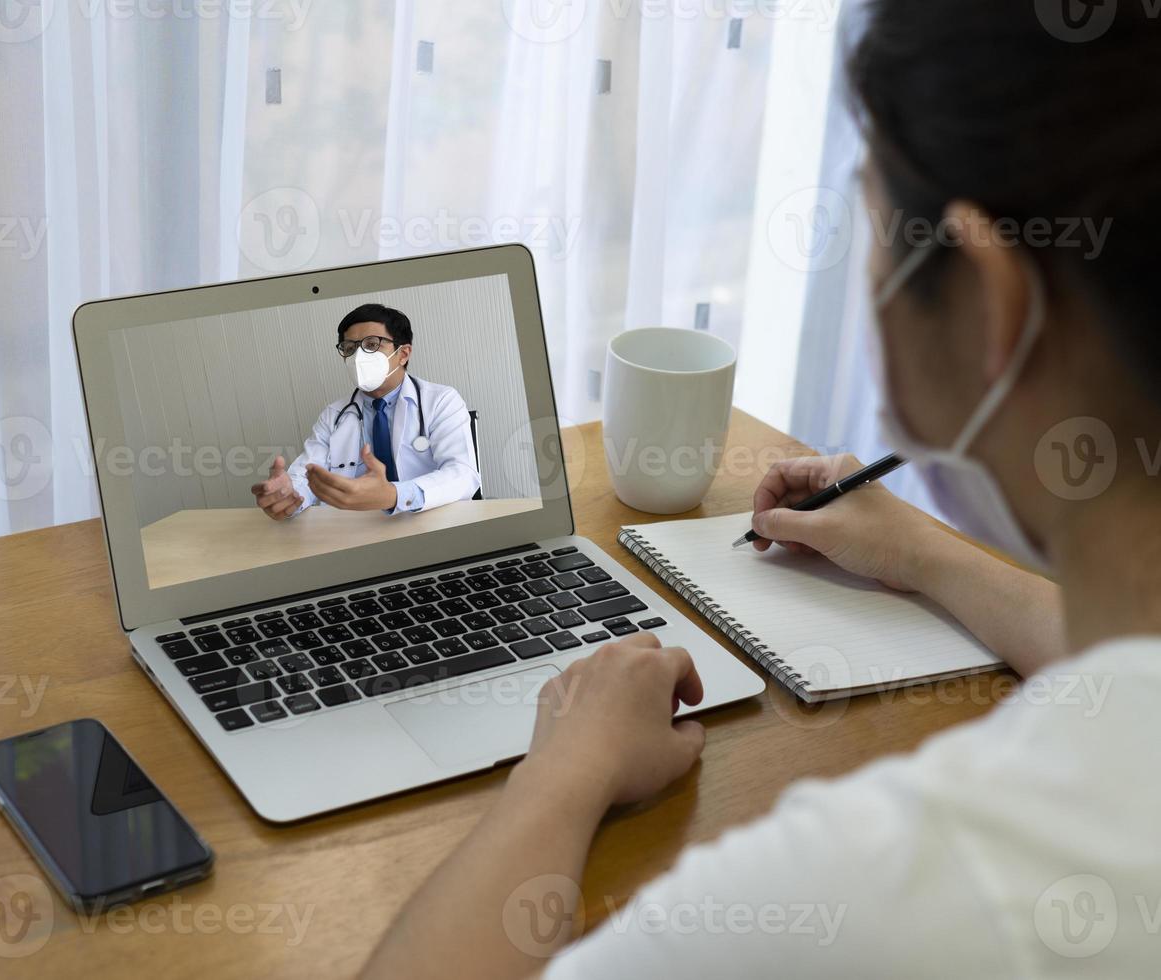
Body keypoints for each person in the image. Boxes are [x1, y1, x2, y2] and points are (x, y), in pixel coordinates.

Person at [365, 1, 1161, 975]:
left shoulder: (875, 895)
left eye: (868, 222)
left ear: (994, 303)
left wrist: (561, 771)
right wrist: (927, 555)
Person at [249, 303, 480, 519]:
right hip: (354, 534)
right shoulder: (333, 415)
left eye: (371, 345)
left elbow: (462, 474)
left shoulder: (441, 401)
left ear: (403, 354)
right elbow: (309, 476)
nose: (358, 357)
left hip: (427, 524)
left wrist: (393, 495)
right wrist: (290, 495)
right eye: (350, 348)